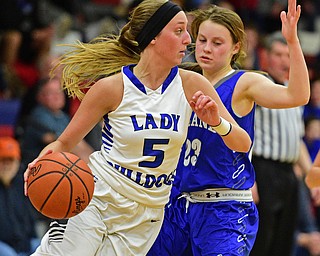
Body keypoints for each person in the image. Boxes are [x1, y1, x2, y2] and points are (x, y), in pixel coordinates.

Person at [23, 1, 252, 255]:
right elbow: (64, 143)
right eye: (179, 31)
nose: (188, 40)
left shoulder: (192, 84)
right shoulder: (113, 87)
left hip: (146, 214)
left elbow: (243, 144)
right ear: (153, 36)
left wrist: (217, 123)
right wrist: (40, 162)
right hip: (99, 197)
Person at [148, 0, 310, 255]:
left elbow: (298, 95)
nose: (206, 48)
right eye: (202, 40)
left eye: (217, 43)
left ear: (236, 47)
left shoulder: (244, 82)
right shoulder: (180, 79)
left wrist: (292, 41)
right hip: (179, 206)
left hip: (224, 208)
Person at [250, 33, 313, 256]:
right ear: (266, 57)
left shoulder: (294, 90)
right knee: (262, 241)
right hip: (263, 169)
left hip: (288, 175)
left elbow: (296, 141)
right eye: (278, 54)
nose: (284, 60)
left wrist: (313, 178)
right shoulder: (258, 85)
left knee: (284, 241)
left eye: (288, 55)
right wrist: (248, 178)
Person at [0, 136, 40, 256]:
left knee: (43, 246)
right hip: (4, 245)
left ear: (18, 162)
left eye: (11, 160)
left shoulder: (25, 184)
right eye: (3, 160)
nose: (7, 165)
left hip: (26, 243)